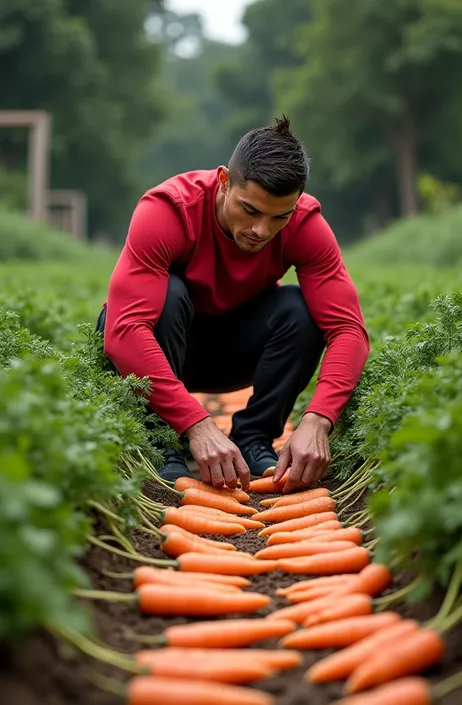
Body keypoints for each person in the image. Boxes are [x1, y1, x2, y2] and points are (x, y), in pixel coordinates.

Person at [97, 115, 370, 493]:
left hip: (236, 354)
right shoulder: (168, 211)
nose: (261, 230)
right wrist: (198, 423)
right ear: (224, 182)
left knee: (299, 307)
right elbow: (124, 332)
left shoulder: (305, 224)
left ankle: (254, 438)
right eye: (250, 210)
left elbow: (348, 330)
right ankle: (162, 443)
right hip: (163, 347)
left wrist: (318, 419)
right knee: (169, 294)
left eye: (279, 217)